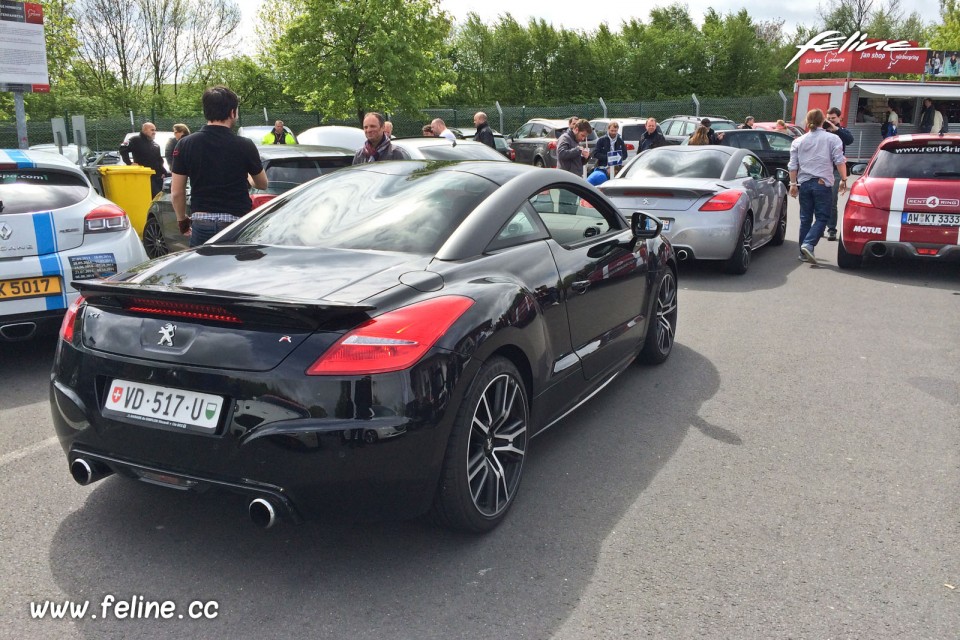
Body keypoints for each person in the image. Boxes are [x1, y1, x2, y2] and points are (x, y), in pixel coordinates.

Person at [171, 86, 268, 248]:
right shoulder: (244, 145)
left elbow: (176, 192)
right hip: (236, 225)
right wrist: (248, 177)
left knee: (203, 271)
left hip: (202, 223)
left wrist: (182, 219)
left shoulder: (185, 144)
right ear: (232, 112)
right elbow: (262, 184)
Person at [787, 108, 847, 264]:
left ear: (807, 122)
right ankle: (809, 243)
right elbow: (839, 161)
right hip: (822, 183)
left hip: (804, 183)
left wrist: (793, 184)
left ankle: (803, 252)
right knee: (822, 217)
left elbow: (793, 165)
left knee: (805, 218)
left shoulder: (798, 141)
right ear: (823, 121)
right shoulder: (832, 139)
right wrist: (844, 179)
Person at [824, 107, 854, 241]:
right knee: (818, 200)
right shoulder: (822, 131)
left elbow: (849, 140)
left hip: (835, 171)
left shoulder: (842, 131)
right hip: (821, 170)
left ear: (839, 118)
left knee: (831, 200)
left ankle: (831, 229)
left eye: (833, 118)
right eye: (828, 118)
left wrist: (836, 130)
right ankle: (819, 226)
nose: (830, 121)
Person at [120, 122, 167, 197]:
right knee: (156, 196)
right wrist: (129, 163)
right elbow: (123, 148)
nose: (154, 132)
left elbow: (159, 160)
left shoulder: (155, 144)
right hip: (144, 177)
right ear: (145, 130)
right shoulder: (135, 140)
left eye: (155, 130)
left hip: (157, 176)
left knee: (160, 196)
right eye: (152, 130)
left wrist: (163, 172)